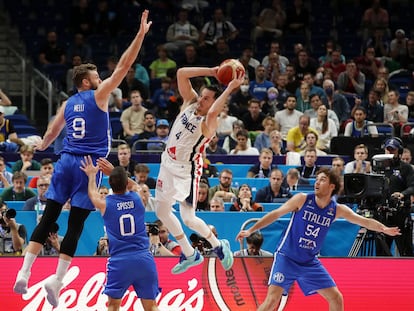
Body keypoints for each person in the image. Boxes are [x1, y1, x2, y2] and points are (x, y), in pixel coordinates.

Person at [13, 10, 152, 307]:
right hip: (89, 166)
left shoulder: (67, 103)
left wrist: (39, 145)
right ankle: (57, 279)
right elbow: (125, 65)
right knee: (75, 225)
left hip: (64, 161)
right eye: (97, 78)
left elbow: (49, 136)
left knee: (49, 217)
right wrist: (140, 35)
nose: (102, 80)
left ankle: (24, 273)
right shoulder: (99, 96)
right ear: (88, 84)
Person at [237, 168, 401, 310]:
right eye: (316, 179)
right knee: (272, 299)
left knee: (336, 298)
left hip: (309, 261)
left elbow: (363, 221)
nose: (317, 182)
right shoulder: (302, 199)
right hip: (287, 257)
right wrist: (251, 229)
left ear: (332, 186)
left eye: (322, 180)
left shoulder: (336, 209)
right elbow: (275, 214)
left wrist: (384, 229)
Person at [155, 65, 244, 274]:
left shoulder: (209, 123)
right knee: (161, 211)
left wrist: (230, 87)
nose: (201, 100)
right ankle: (188, 253)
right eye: (201, 96)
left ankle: (218, 245)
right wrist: (213, 71)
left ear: (214, 103)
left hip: (186, 171)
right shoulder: (189, 102)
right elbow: (181, 73)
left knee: (188, 218)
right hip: (167, 163)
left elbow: (213, 111)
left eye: (206, 99)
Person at [80, 156, 160, 311]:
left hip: (120, 261)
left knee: (113, 306)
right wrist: (113, 172)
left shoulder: (105, 203)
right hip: (143, 258)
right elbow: (136, 186)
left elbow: (92, 194)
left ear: (110, 185)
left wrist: (91, 175)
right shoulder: (137, 198)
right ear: (126, 183)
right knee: (151, 307)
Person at [378, 138, 414, 256]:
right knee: (382, 253)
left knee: (405, 252)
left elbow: (412, 186)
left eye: (393, 150)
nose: (389, 152)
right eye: (387, 150)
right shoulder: (378, 167)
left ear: (399, 152)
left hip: (400, 214)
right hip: (383, 215)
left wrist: (402, 194)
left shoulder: (406, 168)